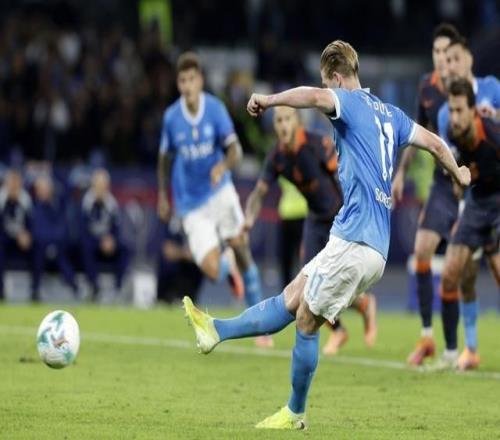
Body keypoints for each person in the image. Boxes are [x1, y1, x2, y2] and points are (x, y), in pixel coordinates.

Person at [183, 40, 470, 429]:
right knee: (293, 296)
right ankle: (214, 330)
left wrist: (269, 100)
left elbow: (316, 97)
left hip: (357, 241)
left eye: (327, 82)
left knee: (305, 320)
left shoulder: (347, 101)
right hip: (362, 240)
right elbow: (435, 143)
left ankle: (294, 413)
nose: (326, 90)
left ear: (336, 76)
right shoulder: (392, 114)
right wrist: (459, 172)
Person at [157, 51, 272, 348]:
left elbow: (236, 151)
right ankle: (226, 264)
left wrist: (222, 166)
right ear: (179, 84)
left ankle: (261, 327)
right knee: (210, 268)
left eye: (191, 79)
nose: (187, 86)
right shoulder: (172, 118)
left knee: (242, 250)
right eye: (182, 81)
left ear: (200, 81)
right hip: (190, 204)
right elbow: (165, 159)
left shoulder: (215, 109)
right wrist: (162, 195)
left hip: (220, 193)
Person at [245, 106, 377, 355]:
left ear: (297, 121)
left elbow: (346, 176)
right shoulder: (276, 156)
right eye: (279, 120)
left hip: (340, 220)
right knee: (309, 286)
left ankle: (363, 305)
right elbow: (259, 192)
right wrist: (248, 221)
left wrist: (360, 213)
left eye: (287, 119)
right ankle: (341, 329)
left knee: (337, 281)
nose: (283, 125)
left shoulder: (317, 144)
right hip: (315, 220)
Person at [391, 23, 461, 365]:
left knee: (470, 270)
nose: (441, 58)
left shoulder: (468, 89)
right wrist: (401, 173)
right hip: (443, 185)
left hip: (474, 185)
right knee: (421, 251)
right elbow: (415, 135)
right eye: (436, 52)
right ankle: (427, 337)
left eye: (447, 53)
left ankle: (463, 346)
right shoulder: (427, 88)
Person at [433, 78, 500, 370]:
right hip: (475, 205)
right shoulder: (452, 134)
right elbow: (457, 172)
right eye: (451, 110)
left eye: (460, 110)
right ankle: (456, 352)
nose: (454, 117)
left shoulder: (493, 135)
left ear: (474, 111)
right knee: (450, 274)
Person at [80, 169, 129, 301]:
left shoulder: (111, 203)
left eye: (103, 186)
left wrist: (111, 240)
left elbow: (116, 229)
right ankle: (94, 287)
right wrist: (100, 240)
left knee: (125, 249)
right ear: (93, 186)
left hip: (108, 242)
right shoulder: (86, 202)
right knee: (86, 247)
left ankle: (118, 288)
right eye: (98, 185)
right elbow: (83, 231)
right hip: (93, 241)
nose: (101, 189)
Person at [31, 175, 78, 300]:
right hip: (40, 246)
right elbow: (35, 231)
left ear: (51, 190)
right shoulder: (33, 207)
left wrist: (52, 244)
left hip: (57, 246)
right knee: (38, 254)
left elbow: (61, 230)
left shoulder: (58, 206)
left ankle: (75, 288)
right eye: (40, 189)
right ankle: (35, 290)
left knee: (59, 254)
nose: (43, 192)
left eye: (45, 189)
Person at [0, 170, 33, 301]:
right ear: (6, 184)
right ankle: (1, 291)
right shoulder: (1, 199)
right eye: (11, 183)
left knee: (39, 246)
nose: (13, 186)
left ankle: (35, 290)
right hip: (4, 238)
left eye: (16, 183)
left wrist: (28, 234)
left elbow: (33, 224)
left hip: (22, 240)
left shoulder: (26, 200)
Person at [156, 217, 204, 304]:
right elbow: (167, 250)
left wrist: (179, 252)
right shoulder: (167, 226)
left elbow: (199, 254)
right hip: (166, 282)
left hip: (189, 283)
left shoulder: (198, 227)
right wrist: (184, 253)